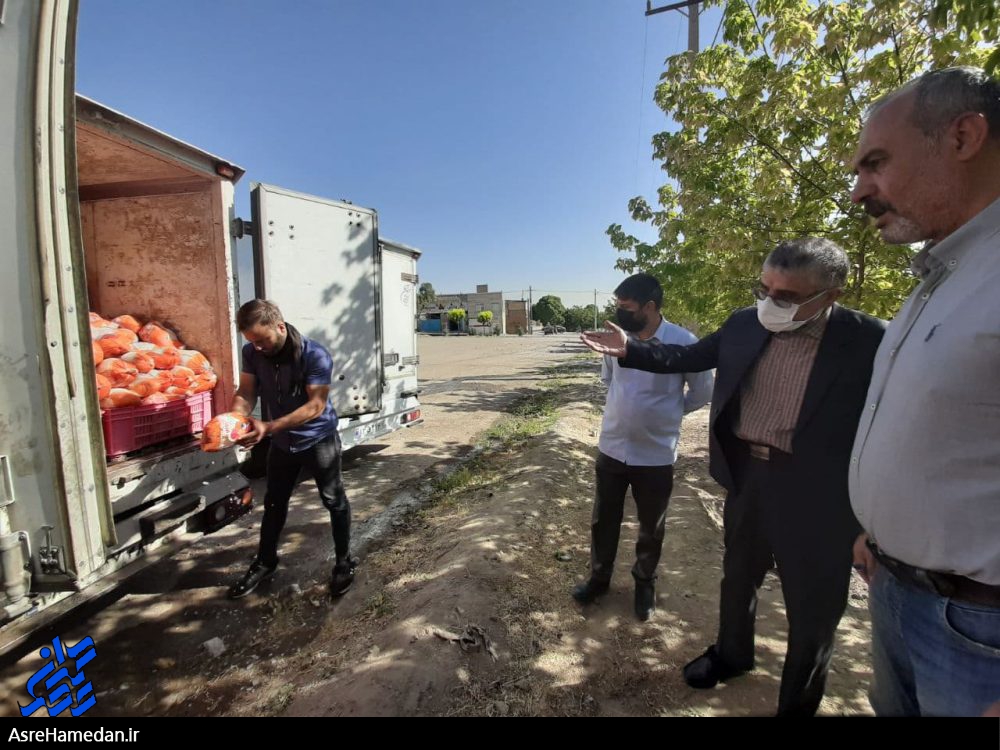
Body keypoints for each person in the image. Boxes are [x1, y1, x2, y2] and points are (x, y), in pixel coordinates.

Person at [581, 238, 885, 716]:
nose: (769, 303)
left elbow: (887, 428)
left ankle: (797, 703)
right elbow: (686, 358)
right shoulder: (746, 322)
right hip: (749, 477)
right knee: (737, 577)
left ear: (830, 295)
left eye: (785, 297)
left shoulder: (870, 340)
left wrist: (872, 517)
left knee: (813, 607)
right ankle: (731, 654)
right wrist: (632, 350)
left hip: (820, 494)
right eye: (763, 289)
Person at [848, 67, 1000, 716]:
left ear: (962, 136)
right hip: (893, 589)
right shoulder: (937, 276)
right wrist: (881, 534)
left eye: (875, 164)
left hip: (977, 637)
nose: (859, 193)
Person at [572, 273, 713, 621]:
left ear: (650, 307)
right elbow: (609, 380)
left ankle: (644, 583)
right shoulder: (616, 340)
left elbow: (703, 391)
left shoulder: (683, 342)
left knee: (651, 526)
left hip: (655, 454)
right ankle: (599, 578)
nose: (619, 313)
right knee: (603, 520)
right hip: (612, 448)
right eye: (617, 305)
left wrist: (669, 412)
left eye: (627, 308)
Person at [227, 299, 357, 599]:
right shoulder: (252, 353)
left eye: (262, 340)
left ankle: (343, 562)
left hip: (318, 439)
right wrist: (234, 421)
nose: (257, 347)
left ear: (280, 327)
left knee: (333, 500)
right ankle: (266, 561)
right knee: (273, 503)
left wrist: (268, 427)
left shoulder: (315, 355)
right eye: (252, 342)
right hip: (284, 444)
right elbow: (246, 392)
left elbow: (315, 406)